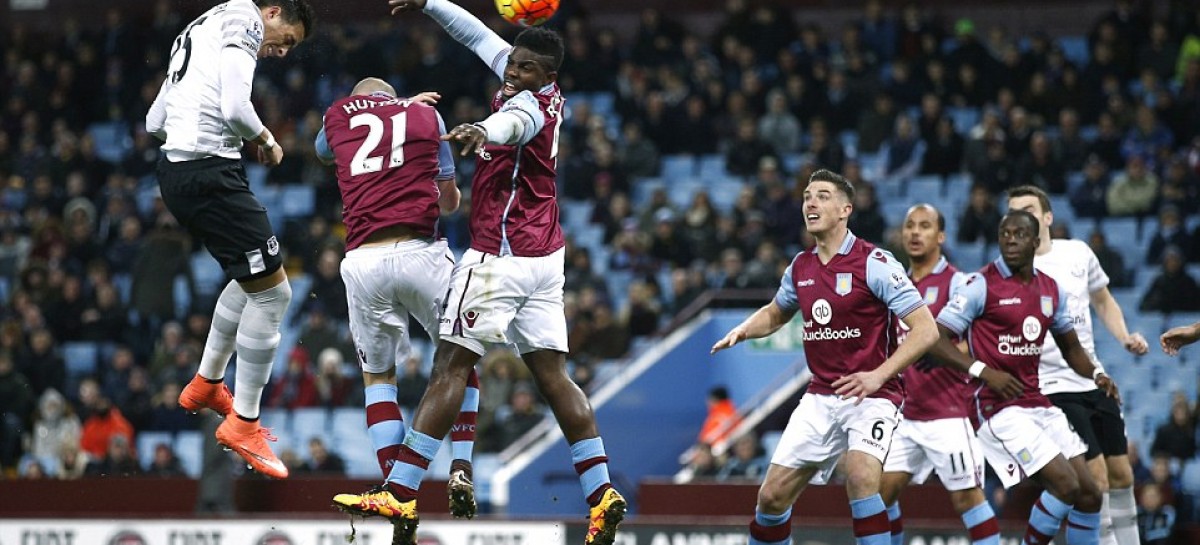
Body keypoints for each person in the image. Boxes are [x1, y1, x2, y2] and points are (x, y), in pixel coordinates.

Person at [334, 2, 626, 544]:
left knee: (449, 366)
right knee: (552, 376)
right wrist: (429, 3)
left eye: (524, 70)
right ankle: (602, 492)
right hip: (545, 257)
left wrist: (479, 129)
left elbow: (512, 125)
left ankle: (398, 493)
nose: (512, 72)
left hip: (500, 258)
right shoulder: (525, 76)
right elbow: (474, 34)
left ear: (548, 78)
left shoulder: (533, 108)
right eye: (511, 64)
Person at [710, 169, 938, 545]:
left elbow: (926, 329)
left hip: (871, 396)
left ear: (845, 209)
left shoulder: (875, 262)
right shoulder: (800, 267)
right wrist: (744, 329)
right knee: (770, 497)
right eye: (806, 196)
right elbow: (776, 311)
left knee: (862, 477)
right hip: (820, 396)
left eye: (822, 196)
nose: (810, 203)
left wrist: (878, 375)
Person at [144, 0, 315, 480]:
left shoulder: (202, 26)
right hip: (208, 172)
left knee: (251, 281)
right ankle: (245, 421)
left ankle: (206, 382)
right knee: (276, 294)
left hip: (177, 171)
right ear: (274, 10)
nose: (282, 52)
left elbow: (155, 119)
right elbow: (236, 108)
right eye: (288, 39)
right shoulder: (243, 20)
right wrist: (267, 138)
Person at [314, 78, 481, 518]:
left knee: (378, 379)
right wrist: (404, 108)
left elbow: (321, 149)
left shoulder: (336, 116)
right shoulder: (426, 115)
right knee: (459, 359)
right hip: (420, 253)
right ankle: (461, 463)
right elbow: (448, 203)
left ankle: (396, 492)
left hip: (363, 261)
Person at [929, 210, 1117, 545]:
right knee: (1067, 486)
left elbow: (1071, 348)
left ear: (1035, 240)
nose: (1011, 240)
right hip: (995, 407)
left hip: (1037, 403)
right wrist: (984, 372)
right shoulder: (981, 285)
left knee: (1090, 494)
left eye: (1018, 234)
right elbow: (935, 338)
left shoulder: (1051, 290)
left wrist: (1097, 374)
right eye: (1005, 234)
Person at [1007, 185, 1149, 545]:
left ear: (1048, 217)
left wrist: (1125, 337)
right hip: (1051, 389)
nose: (1020, 218)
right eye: (1013, 213)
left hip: (1093, 381)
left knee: (1122, 477)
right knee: (1096, 479)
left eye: (1028, 210)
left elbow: (1102, 300)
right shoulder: (1010, 271)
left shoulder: (1077, 253)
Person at [879, 204, 1000, 545]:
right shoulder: (893, 285)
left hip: (949, 413)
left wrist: (943, 353)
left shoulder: (960, 283)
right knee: (877, 496)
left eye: (925, 226)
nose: (915, 233)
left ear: (941, 236)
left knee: (968, 500)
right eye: (910, 226)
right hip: (905, 415)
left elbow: (985, 343)